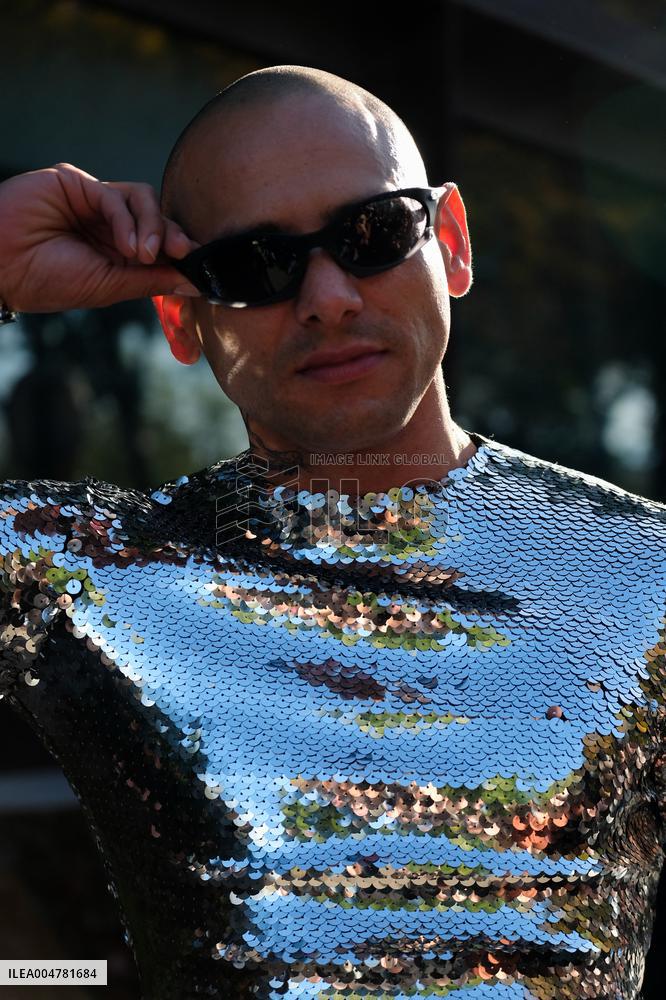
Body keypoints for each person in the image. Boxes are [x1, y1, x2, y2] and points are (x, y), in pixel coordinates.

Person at [0, 63, 664, 1000]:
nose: (327, 298)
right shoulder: (89, 571)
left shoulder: (647, 571)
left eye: (372, 234)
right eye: (254, 266)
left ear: (453, 242)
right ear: (181, 320)